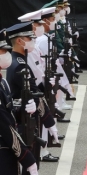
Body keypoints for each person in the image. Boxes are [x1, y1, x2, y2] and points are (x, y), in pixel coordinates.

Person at [6, 21, 60, 164]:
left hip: (25, 115)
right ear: (19, 40)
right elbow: (33, 94)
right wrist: (49, 122)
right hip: (23, 118)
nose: (32, 41)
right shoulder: (19, 66)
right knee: (29, 161)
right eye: (29, 38)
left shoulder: (19, 61)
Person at [0, 29, 39, 175]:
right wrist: (27, 158)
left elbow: (7, 112)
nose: (7, 55)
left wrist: (22, 107)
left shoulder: (2, 82)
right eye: (2, 52)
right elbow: (5, 125)